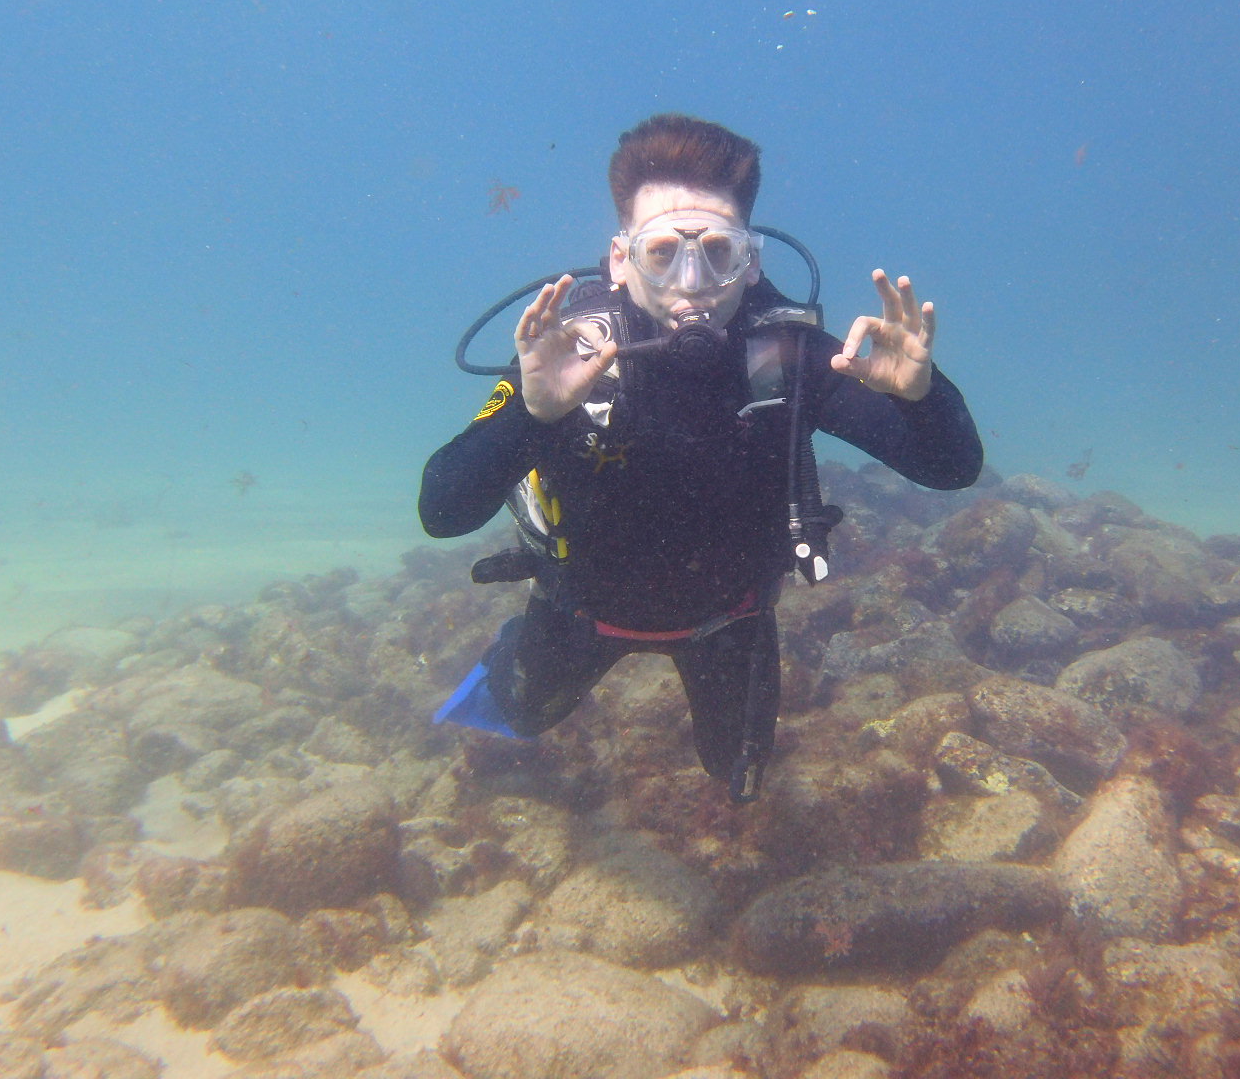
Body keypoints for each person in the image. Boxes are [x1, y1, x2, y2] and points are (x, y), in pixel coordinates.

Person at [419, 114, 983, 802]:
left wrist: (922, 394)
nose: (692, 283)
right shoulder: (572, 357)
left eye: (718, 252)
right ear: (620, 260)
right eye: (664, 253)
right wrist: (534, 413)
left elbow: (949, 468)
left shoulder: (787, 356)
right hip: (577, 609)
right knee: (520, 716)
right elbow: (443, 511)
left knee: (739, 780)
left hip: (731, 620)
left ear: (752, 263)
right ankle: (510, 673)